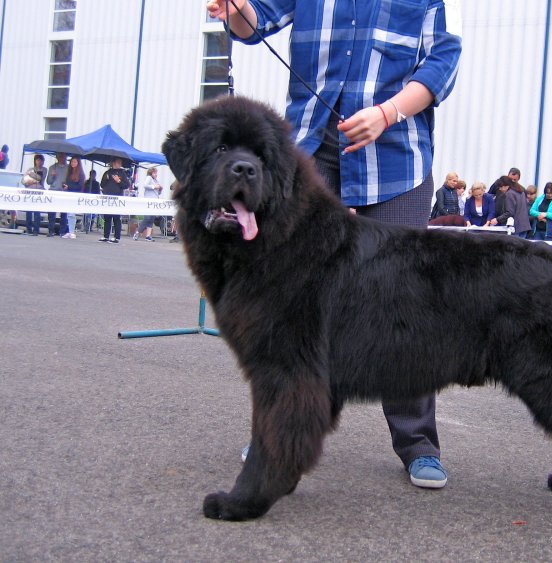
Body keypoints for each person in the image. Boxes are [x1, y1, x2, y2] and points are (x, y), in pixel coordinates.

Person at [211, 0, 461, 488]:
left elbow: (443, 62)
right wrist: (235, 8)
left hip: (395, 160)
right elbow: (251, 25)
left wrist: (388, 113)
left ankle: (418, 444)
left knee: (403, 307)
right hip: (308, 156)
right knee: (286, 310)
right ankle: (275, 437)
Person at [99, 157, 130, 243]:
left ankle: (117, 237)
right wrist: (106, 179)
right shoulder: (107, 172)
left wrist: (119, 181)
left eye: (120, 163)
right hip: (107, 197)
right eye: (117, 162)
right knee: (107, 218)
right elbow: (102, 184)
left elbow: (126, 185)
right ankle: (106, 236)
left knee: (116, 218)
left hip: (117, 199)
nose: (119, 164)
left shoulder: (122, 173)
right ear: (113, 163)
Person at [133, 167, 164, 241]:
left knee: (152, 218)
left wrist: (160, 189)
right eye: (154, 173)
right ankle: (137, 232)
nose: (156, 174)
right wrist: (154, 186)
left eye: (156, 173)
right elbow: (145, 185)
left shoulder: (156, 180)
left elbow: (157, 192)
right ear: (151, 173)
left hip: (155, 201)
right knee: (147, 218)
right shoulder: (149, 178)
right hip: (148, 201)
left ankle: (148, 235)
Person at [22, 154, 47, 235]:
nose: (39, 162)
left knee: (37, 211)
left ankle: (36, 230)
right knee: (29, 211)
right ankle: (29, 229)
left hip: (39, 191)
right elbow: (23, 180)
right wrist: (28, 181)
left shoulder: (44, 169)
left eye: (40, 160)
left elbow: (40, 178)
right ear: (35, 161)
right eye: (37, 160)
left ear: (43, 162)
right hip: (30, 191)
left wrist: (30, 174)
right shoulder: (30, 169)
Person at [61, 156, 85, 238]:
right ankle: (68, 231)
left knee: (72, 214)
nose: (73, 164)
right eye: (72, 162)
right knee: (68, 214)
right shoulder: (69, 173)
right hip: (68, 194)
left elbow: (80, 186)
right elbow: (67, 183)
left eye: (75, 162)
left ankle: (72, 231)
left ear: (78, 163)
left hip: (75, 195)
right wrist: (65, 186)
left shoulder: (81, 174)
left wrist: (69, 187)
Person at [46, 152, 69, 236]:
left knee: (64, 212)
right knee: (51, 213)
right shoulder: (52, 167)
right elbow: (48, 182)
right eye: (61, 156)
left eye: (64, 156)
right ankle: (51, 230)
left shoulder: (68, 168)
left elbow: (70, 181)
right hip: (53, 191)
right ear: (57, 157)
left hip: (64, 192)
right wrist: (52, 176)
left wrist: (67, 186)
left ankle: (62, 231)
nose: (63, 158)